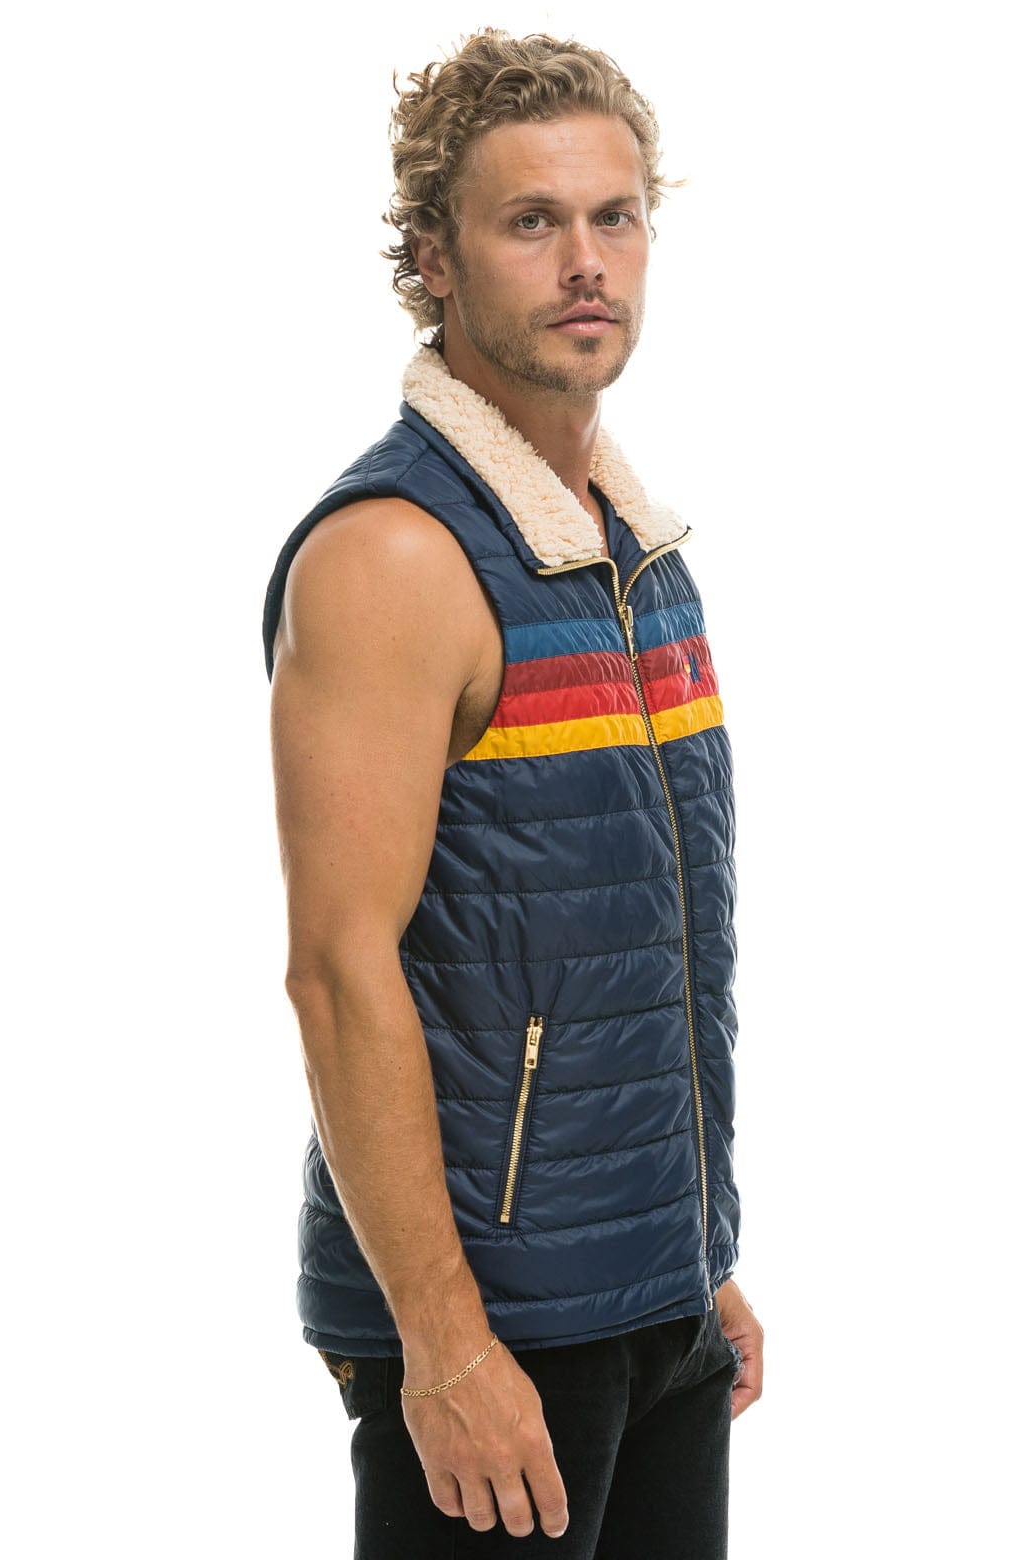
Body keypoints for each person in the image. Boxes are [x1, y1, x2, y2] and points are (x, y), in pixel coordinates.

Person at [263, 27, 764, 1559]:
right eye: (531, 221)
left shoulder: (630, 554)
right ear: (434, 257)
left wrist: (695, 1253)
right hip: (491, 1335)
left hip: (653, 1302)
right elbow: (339, 970)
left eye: (616, 217)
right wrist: (443, 1343)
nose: (585, 262)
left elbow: (622, 951)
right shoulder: (396, 556)